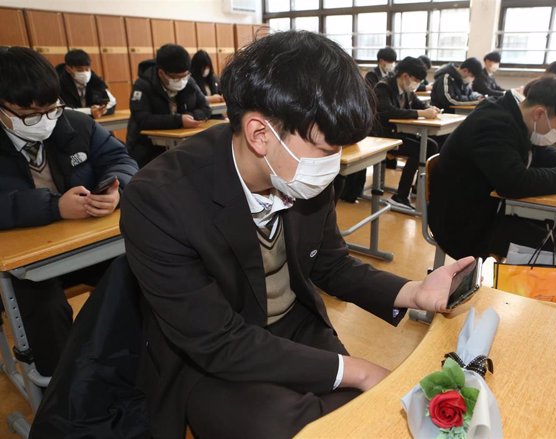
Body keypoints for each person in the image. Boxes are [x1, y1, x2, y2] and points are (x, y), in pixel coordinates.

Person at [120, 31, 473, 439]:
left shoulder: (299, 174)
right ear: (259, 134)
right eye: (326, 151)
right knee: (288, 426)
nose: (334, 166)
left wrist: (414, 292)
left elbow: (331, 263)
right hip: (211, 355)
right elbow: (216, 341)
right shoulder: (160, 200)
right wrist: (356, 369)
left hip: (295, 326)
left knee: (359, 418)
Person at [0, 47, 138, 377]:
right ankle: (63, 390)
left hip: (81, 246)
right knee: (43, 307)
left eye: (51, 110)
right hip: (25, 262)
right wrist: (54, 207)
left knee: (133, 272)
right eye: (29, 116)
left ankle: (128, 365)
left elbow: (123, 161)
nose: (44, 122)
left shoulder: (75, 124)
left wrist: (113, 188)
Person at [429, 76, 556, 260]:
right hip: (464, 222)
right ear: (539, 113)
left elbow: (535, 153)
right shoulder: (493, 124)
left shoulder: (515, 115)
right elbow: (513, 182)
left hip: (489, 209)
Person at [126, 43, 210, 167]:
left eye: (185, 76)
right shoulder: (143, 85)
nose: (182, 81)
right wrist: (179, 120)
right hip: (148, 150)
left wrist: (190, 115)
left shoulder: (189, 82)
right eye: (176, 78)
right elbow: (143, 119)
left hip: (181, 145)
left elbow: (205, 108)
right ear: (161, 73)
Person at [373, 56, 441, 210]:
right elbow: (387, 111)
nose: (417, 84)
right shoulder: (383, 87)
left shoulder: (406, 90)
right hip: (382, 136)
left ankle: (418, 188)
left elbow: (419, 105)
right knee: (418, 149)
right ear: (405, 76)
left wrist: (431, 109)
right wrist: (421, 113)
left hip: (398, 133)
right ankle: (400, 196)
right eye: (416, 80)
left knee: (431, 145)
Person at [55, 49, 116, 119]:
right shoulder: (58, 84)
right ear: (68, 69)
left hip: (92, 121)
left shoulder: (95, 81)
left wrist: (100, 110)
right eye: (79, 70)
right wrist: (89, 111)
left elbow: (112, 102)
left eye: (87, 69)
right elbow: (59, 109)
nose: (84, 73)